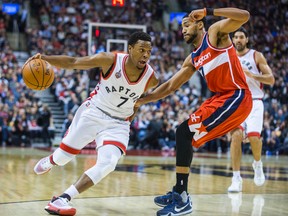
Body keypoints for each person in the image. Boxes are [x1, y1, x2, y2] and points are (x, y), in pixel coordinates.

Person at [135, 7, 252, 216]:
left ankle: (182, 198)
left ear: (199, 24)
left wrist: (209, 11)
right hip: (219, 98)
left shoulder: (216, 33)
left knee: (184, 133)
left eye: (186, 25)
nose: (183, 30)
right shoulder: (193, 58)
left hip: (237, 96)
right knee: (182, 133)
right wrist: (142, 100)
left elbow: (244, 16)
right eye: (181, 27)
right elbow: (170, 86)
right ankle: (179, 192)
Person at [30, 31, 159, 216]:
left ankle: (63, 198)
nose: (146, 55)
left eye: (149, 51)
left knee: (108, 163)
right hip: (94, 112)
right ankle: (51, 160)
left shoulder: (151, 78)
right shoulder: (110, 60)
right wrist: (46, 59)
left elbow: (138, 100)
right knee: (64, 158)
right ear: (130, 49)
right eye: (141, 50)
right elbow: (74, 62)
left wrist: (131, 116)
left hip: (118, 124)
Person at [227, 27, 275, 192]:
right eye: (235, 37)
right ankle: (236, 179)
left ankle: (257, 164)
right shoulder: (228, 57)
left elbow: (271, 79)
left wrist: (252, 75)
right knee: (235, 136)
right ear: (232, 40)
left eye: (241, 37)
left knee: (254, 137)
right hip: (237, 101)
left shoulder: (256, 55)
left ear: (246, 40)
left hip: (255, 100)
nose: (238, 39)